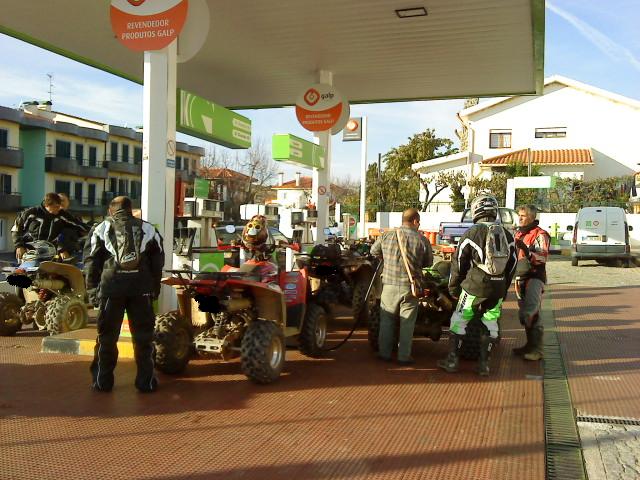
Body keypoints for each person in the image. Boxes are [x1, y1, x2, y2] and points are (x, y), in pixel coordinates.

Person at [84, 196, 164, 393]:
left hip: (111, 289)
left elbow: (90, 262)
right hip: (141, 290)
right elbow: (158, 262)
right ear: (131, 210)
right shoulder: (148, 229)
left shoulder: (100, 228)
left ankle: (103, 382)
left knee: (107, 338)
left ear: (112, 210)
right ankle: (146, 382)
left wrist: (93, 292)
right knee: (144, 338)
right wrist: (154, 289)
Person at [437, 195, 517, 376]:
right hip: (497, 288)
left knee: (459, 320)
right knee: (491, 323)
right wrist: (503, 288)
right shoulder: (507, 234)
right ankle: (484, 365)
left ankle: (452, 361)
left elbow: (458, 262)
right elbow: (513, 264)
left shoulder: (473, 232)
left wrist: (454, 287)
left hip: (475, 285)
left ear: (476, 211)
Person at [371, 208, 433, 365]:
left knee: (387, 320)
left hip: (389, 285)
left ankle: (384, 353)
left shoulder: (387, 235)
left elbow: (373, 251)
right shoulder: (422, 240)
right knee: (407, 322)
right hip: (410, 287)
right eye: (418, 222)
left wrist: (387, 258)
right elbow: (429, 262)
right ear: (414, 221)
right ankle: (403, 356)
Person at [512, 204, 550, 361]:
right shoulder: (518, 233)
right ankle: (529, 345)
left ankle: (537, 350)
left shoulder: (541, 234)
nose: (519, 218)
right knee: (524, 314)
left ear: (532, 217)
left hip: (534, 277)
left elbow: (542, 256)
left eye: (523, 215)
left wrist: (527, 251)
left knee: (532, 312)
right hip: (520, 277)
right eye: (519, 215)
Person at [11, 192, 87, 261]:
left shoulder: (61, 215)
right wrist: (19, 246)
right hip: (29, 253)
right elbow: (16, 229)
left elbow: (78, 225)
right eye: (56, 206)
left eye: (59, 206)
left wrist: (93, 228)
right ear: (47, 205)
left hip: (50, 254)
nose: (58, 209)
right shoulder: (31, 213)